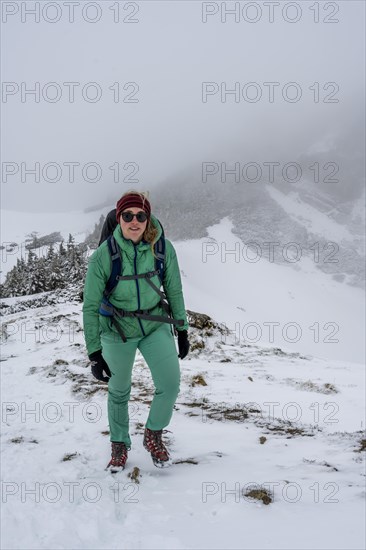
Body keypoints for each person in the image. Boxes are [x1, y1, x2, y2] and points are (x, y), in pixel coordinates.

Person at [82, 191, 190, 470]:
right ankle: (119, 444)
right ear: (119, 219)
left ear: (148, 218)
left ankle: (153, 433)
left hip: (154, 325)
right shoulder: (103, 257)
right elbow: (90, 305)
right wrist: (94, 352)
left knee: (169, 384)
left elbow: (174, 289)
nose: (134, 221)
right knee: (119, 390)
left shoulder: (163, 248)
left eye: (140, 216)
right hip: (117, 330)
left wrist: (182, 329)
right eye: (127, 216)